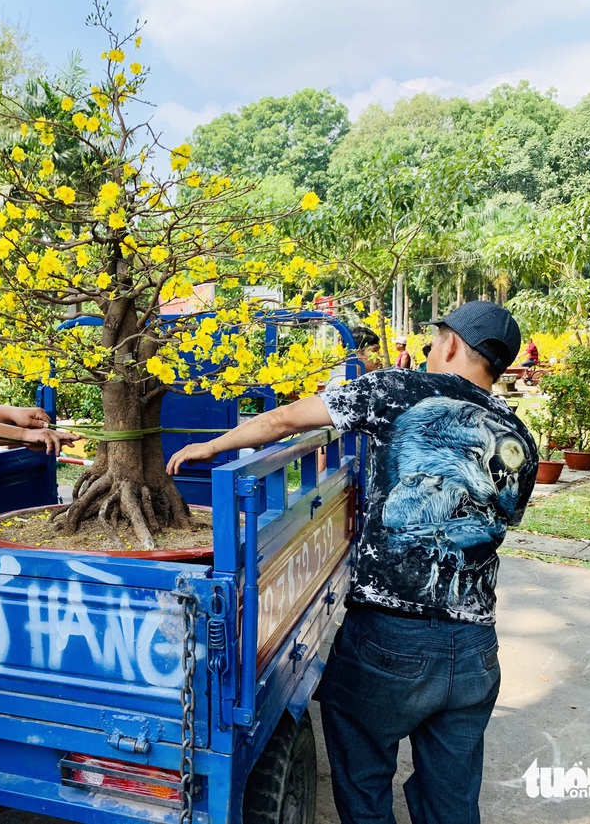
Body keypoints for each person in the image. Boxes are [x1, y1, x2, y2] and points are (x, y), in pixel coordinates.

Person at [168, 301, 538, 824]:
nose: (431, 349)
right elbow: (498, 517)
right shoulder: (519, 437)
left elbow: (286, 418)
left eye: (435, 341)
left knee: (364, 786)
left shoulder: (397, 390)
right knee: (452, 802)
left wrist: (216, 445)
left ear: (452, 343)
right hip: (475, 648)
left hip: (389, 639)